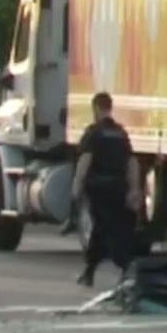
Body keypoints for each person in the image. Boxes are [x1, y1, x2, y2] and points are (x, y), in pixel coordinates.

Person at [63, 91, 142, 287]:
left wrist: (76, 189)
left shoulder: (94, 133)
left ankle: (97, 271)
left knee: (101, 230)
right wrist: (134, 189)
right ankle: (113, 271)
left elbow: (85, 161)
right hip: (119, 187)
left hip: (99, 189)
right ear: (110, 108)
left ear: (96, 109)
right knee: (119, 229)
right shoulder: (121, 133)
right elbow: (131, 162)